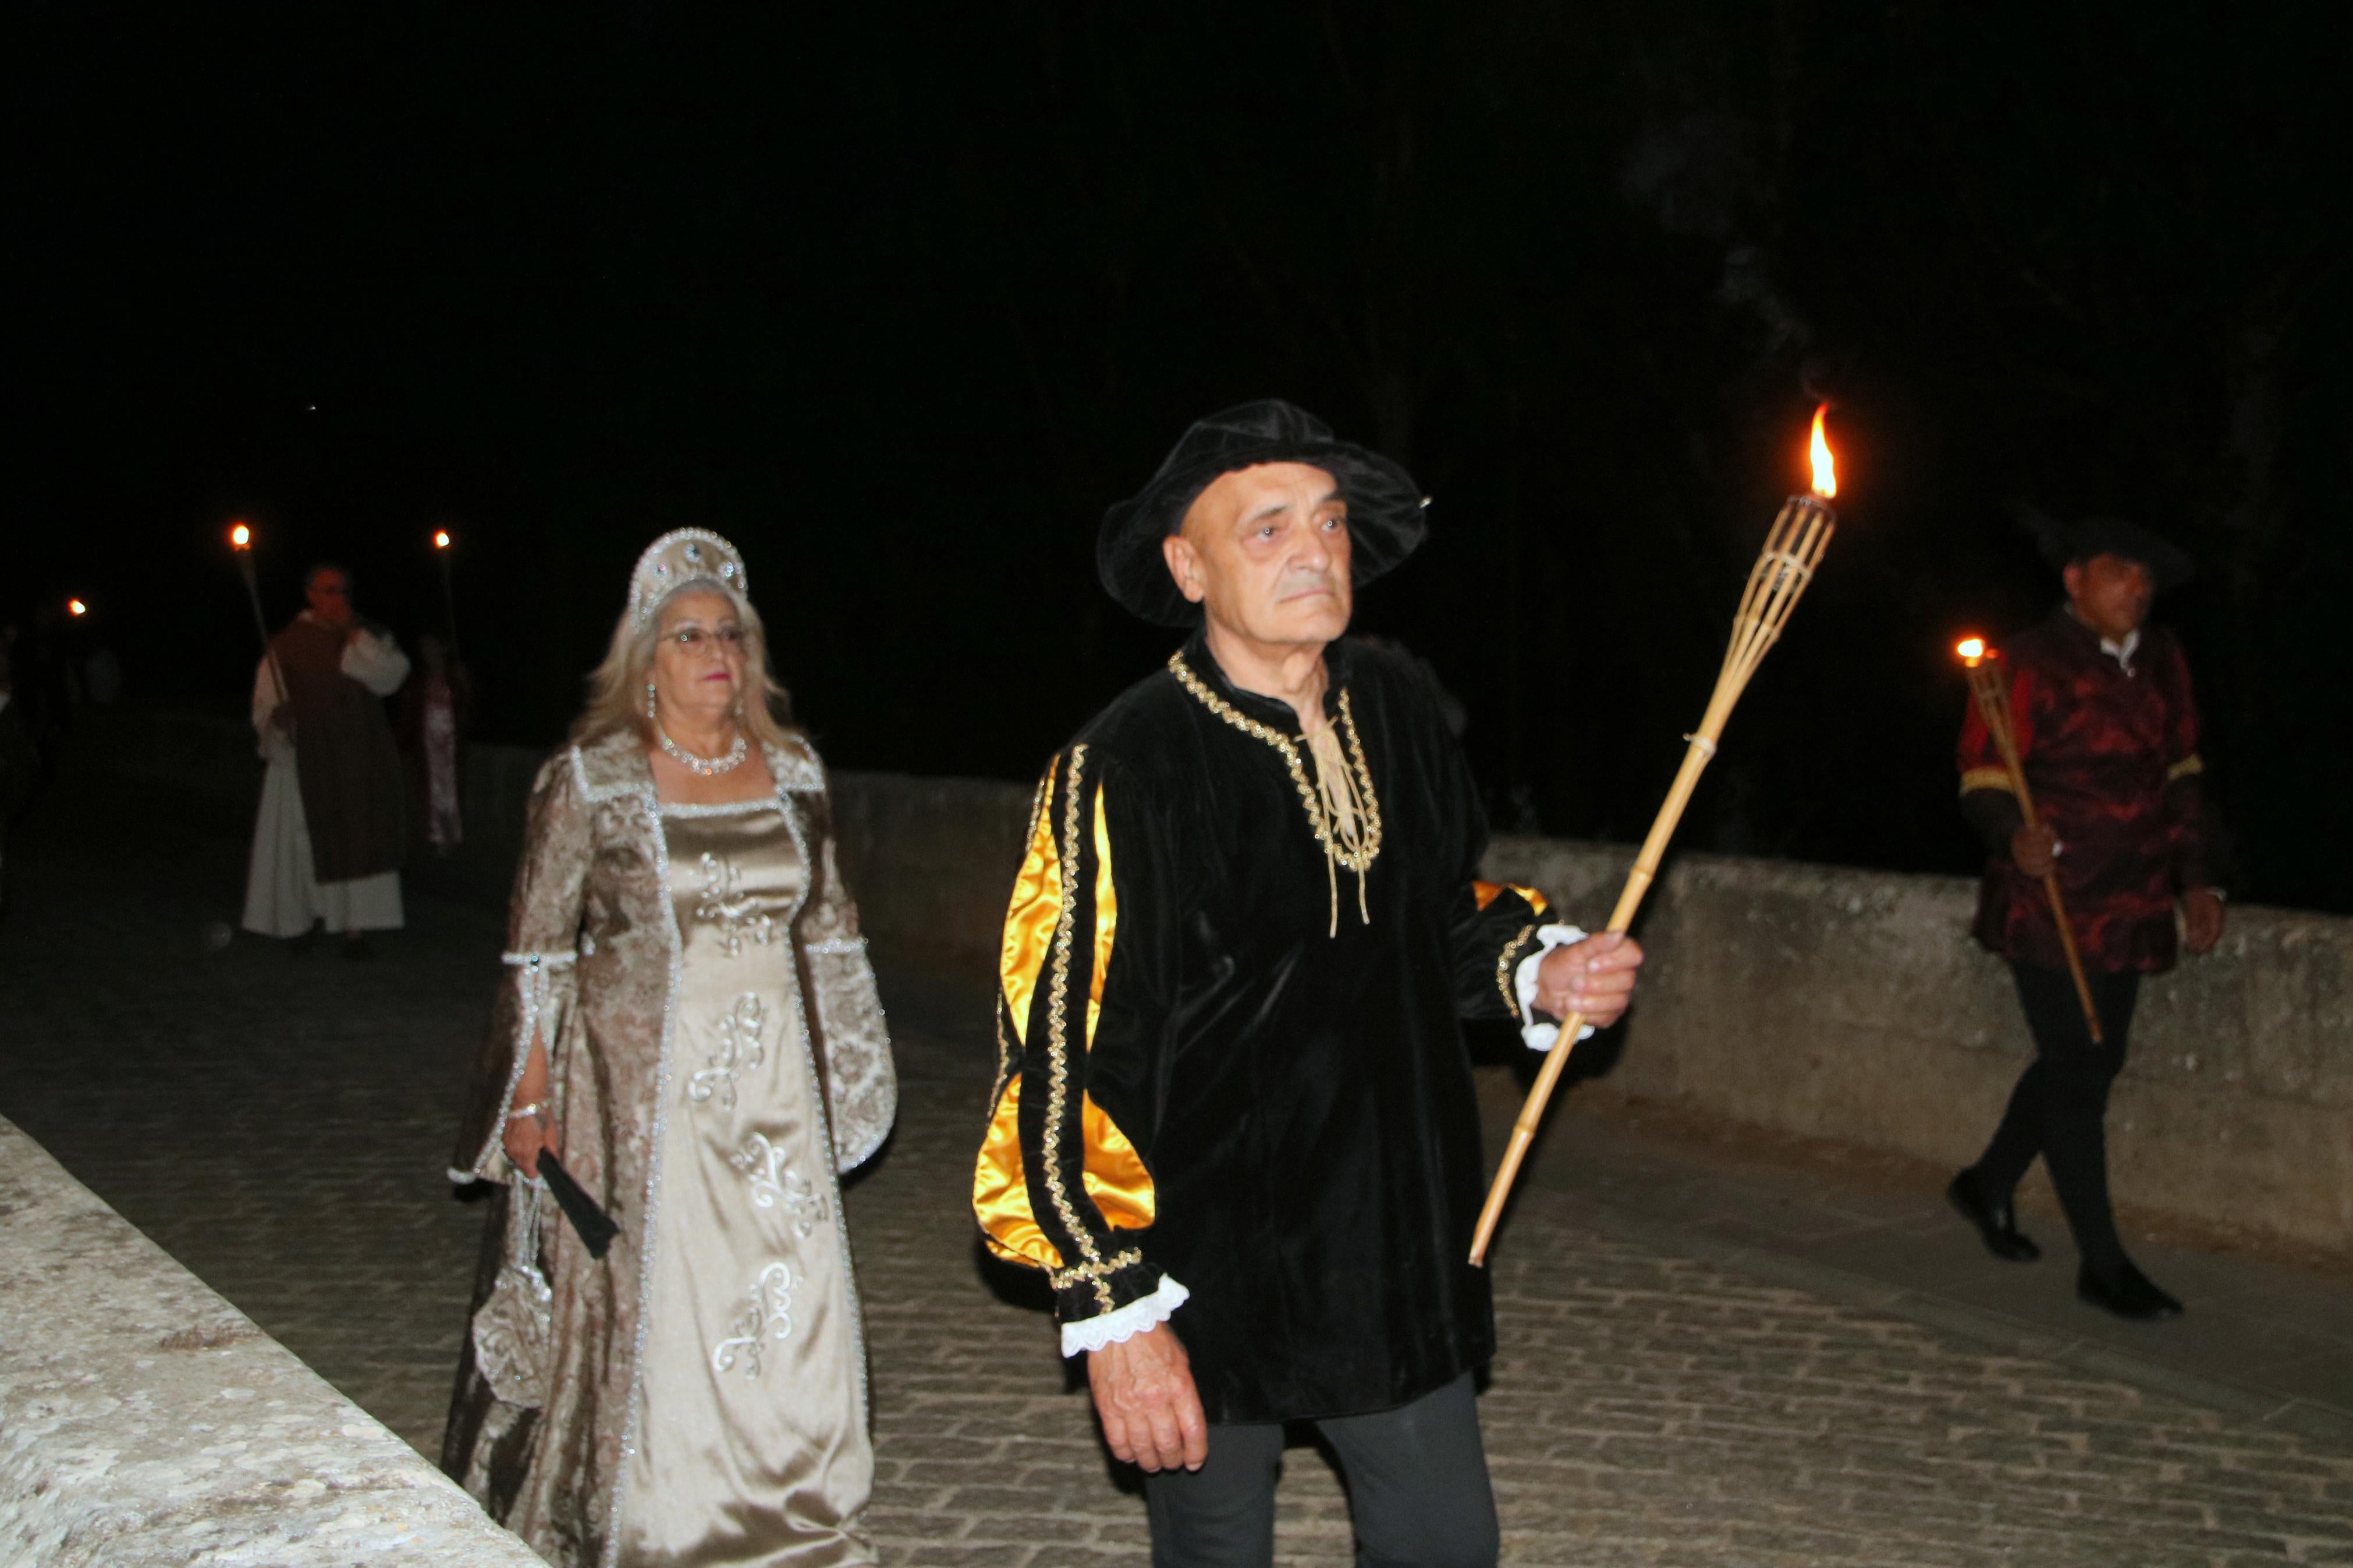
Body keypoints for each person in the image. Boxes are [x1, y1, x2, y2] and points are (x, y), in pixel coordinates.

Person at [969, 401, 1643, 1565]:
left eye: (1327, 525)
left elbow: (1432, 921)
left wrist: (1538, 972)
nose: (1313, 552)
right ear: (1188, 565)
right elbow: (1062, 1050)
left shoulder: (1394, 710)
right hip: (1203, 1268)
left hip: (1390, 1246)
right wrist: (1111, 1304)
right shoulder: (1123, 766)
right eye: (1267, 528)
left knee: (1444, 1545)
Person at [442, 528, 897, 1567]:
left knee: (780, 1287)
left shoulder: (792, 772)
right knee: (666, 1296)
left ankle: (790, 1489)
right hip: (640, 1094)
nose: (714, 655)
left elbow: (829, 932)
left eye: (728, 635)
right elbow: (537, 953)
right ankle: (671, 1507)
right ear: (645, 654)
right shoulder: (591, 779)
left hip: (771, 1091)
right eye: (688, 635)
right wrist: (528, 1100)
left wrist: (851, 1081)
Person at [1945, 513, 2220, 1322]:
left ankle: (1986, 1182)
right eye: (2116, 573)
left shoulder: (2162, 659)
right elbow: (1981, 773)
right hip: (2049, 902)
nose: (2133, 588)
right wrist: (2010, 833)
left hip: (2132, 900)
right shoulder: (2022, 662)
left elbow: (2183, 773)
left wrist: (2196, 880)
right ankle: (2101, 1262)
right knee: (2076, 1068)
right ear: (2074, 580)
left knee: (2092, 1059)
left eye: (2142, 577)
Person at [241, 563, 411, 957]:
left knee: (356, 834)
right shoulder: (284, 645)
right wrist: (276, 722)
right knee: (306, 837)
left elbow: (391, 676)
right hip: (306, 757)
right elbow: (265, 704)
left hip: (356, 755)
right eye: (330, 590)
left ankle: (356, 929)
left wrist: (355, 637)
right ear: (311, 594)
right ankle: (304, 919)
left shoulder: (366, 633)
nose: (338, 599)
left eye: (343, 590)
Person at [399, 631, 471, 855]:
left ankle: (454, 833)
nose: (428, 652)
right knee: (432, 789)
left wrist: (466, 684)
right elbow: (410, 713)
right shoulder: (419, 680)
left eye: (432, 646)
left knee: (451, 787)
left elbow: (468, 707)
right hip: (428, 741)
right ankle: (438, 835)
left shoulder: (455, 677)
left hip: (451, 741)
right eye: (425, 647)